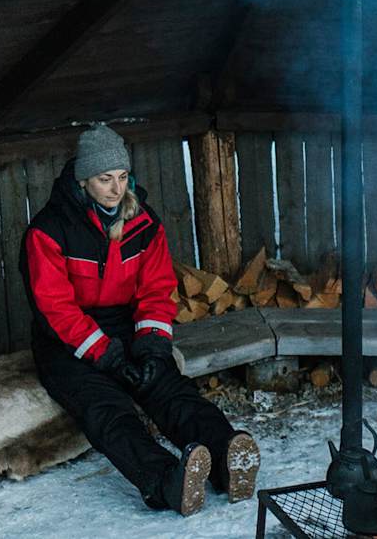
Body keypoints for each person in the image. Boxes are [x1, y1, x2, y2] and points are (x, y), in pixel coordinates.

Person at [22, 124, 260, 515]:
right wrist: (106, 355)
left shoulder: (143, 222)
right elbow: (55, 308)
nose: (116, 189)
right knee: (108, 409)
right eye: (104, 180)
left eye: (121, 177)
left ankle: (226, 455)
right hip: (66, 340)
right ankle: (166, 481)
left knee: (167, 386)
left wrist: (150, 343)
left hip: (125, 323)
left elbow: (156, 289)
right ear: (83, 182)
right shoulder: (48, 232)